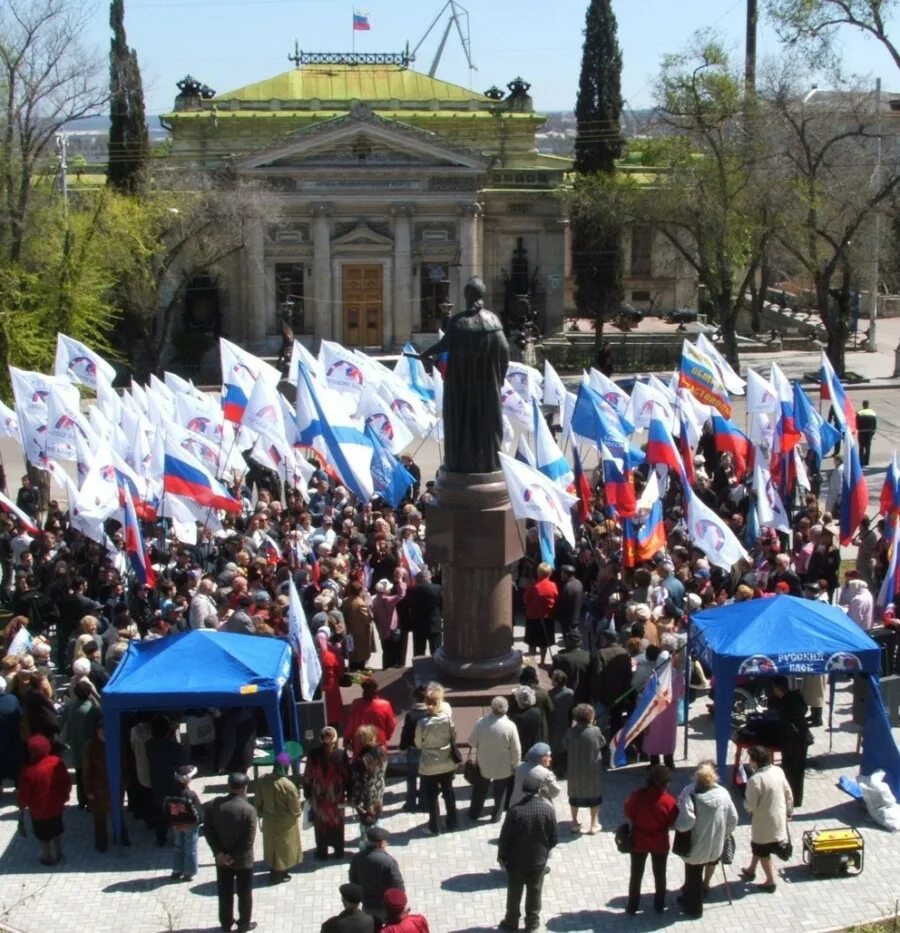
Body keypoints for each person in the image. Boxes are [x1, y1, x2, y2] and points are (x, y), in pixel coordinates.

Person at [417, 275, 509, 474]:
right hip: (487, 387)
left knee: (462, 423)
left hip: (461, 386)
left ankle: (460, 461)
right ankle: (489, 461)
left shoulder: (459, 322)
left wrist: (426, 352)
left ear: (467, 296)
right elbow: (505, 353)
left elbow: (445, 344)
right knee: (487, 423)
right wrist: (498, 380)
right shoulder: (493, 321)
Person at [673, 761, 738, 918]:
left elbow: (685, 823)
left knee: (693, 875)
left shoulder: (690, 793)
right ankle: (695, 893)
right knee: (703, 870)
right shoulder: (723, 793)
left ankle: (694, 909)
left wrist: (677, 824)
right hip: (715, 846)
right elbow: (733, 819)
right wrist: (723, 834)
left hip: (695, 846)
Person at [497, 773, 558, 932]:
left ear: (523, 791)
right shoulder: (547, 809)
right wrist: (545, 852)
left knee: (514, 893)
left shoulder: (515, 811)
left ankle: (511, 922)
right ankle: (532, 923)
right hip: (538, 860)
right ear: (539, 790)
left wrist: (502, 857)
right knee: (535, 892)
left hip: (516, 861)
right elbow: (554, 838)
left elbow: (504, 838)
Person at [205, 771, 258, 933]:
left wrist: (220, 853)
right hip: (243, 860)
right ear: (245, 788)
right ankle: (243, 924)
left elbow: (209, 831)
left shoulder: (214, 805)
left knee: (225, 892)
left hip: (221, 860)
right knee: (244, 893)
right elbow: (248, 840)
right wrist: (233, 856)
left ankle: (226, 923)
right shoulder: (248, 810)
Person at [624, 764, 679, 915]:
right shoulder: (669, 801)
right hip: (660, 843)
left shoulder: (638, 795)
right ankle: (659, 905)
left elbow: (628, 811)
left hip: (638, 841)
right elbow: (673, 821)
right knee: (660, 875)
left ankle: (632, 906)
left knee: (636, 875)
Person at [740, 746, 794, 893]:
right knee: (758, 846)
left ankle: (770, 881)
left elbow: (750, 805)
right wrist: (789, 812)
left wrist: (743, 802)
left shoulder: (754, 780)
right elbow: (788, 793)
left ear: (755, 761)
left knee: (762, 849)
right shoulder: (778, 771)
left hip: (764, 822)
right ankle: (751, 869)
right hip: (778, 818)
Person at [17, 733, 72, 866]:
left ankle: (47, 858)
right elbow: (66, 782)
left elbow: (24, 793)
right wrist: (65, 797)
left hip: (38, 811)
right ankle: (59, 854)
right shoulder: (56, 762)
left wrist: (21, 806)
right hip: (56, 806)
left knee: (43, 835)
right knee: (56, 830)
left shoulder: (29, 770)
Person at [467, 695, 521, 822]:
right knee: (500, 792)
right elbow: (516, 749)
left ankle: (474, 813)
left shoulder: (481, 722)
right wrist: (515, 764)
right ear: (506, 709)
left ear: (492, 708)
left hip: (484, 763)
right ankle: (496, 816)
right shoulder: (510, 726)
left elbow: (472, 742)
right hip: (503, 765)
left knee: (479, 790)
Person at [414, 683, 458, 835]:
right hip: (447, 762)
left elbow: (418, 743)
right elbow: (454, 736)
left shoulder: (422, 723)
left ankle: (434, 827)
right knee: (449, 792)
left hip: (429, 764)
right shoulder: (447, 719)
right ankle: (452, 822)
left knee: (432, 796)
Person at [254, 751, 302, 883]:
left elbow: (258, 802)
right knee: (285, 849)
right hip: (286, 822)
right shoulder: (288, 785)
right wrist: (297, 815)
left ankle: (273, 871)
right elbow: (295, 808)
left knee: (272, 847)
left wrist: (259, 814)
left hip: (269, 820)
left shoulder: (262, 780)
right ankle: (281, 874)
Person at [304, 726, 350, 861]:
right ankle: (339, 852)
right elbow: (347, 775)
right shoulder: (341, 754)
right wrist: (349, 793)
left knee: (321, 823)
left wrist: (307, 793)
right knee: (337, 823)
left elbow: (308, 775)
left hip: (319, 797)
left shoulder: (313, 754)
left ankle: (322, 852)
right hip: (337, 797)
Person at [348, 826, 405, 926]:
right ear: (380, 843)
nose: (386, 844)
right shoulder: (388, 861)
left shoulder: (357, 858)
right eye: (385, 842)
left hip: (367, 904)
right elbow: (398, 886)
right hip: (384, 907)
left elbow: (353, 880)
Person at [564, 703, 605, 834]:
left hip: (575, 771)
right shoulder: (596, 731)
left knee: (574, 798)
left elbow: (565, 745)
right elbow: (602, 742)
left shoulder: (571, 732)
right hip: (592, 771)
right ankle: (593, 824)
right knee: (594, 798)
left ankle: (574, 822)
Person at [769, 676, 809, 806]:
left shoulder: (784, 702)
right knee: (798, 771)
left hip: (792, 741)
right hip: (802, 738)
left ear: (777, 688)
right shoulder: (796, 696)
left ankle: (790, 799)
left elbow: (783, 720)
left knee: (790, 771)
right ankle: (797, 799)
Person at [349, 724, 388, 846]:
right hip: (379, 790)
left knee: (366, 824)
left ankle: (367, 848)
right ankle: (379, 842)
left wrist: (354, 800)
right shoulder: (381, 752)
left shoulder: (361, 762)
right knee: (377, 818)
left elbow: (357, 783)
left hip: (366, 797)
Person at [165, 764, 203, 882]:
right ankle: (189, 872)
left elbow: (166, 808)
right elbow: (198, 811)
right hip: (190, 825)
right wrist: (200, 820)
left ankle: (177, 870)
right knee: (190, 848)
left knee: (178, 846)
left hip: (176, 824)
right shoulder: (190, 794)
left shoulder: (170, 792)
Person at [345, 677, 397, 755]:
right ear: (376, 690)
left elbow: (351, 724)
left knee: (360, 766)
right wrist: (387, 736)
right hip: (379, 743)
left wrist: (347, 740)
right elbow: (391, 725)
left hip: (360, 745)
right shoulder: (385, 705)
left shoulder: (356, 704)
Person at [523, 562, 558, 664]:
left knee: (532, 643)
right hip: (547, 619)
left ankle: (532, 664)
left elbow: (525, 600)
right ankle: (542, 662)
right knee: (544, 644)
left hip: (533, 618)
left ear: (539, 573)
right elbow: (555, 599)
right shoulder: (553, 586)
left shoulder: (533, 586)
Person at [510, 742, 560, 806]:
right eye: (549, 756)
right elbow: (555, 792)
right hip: (537, 808)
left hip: (515, 806)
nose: (550, 759)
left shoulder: (519, 766)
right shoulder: (546, 773)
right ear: (543, 759)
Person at [0, 676, 23, 798]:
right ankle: (18, 787)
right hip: (12, 737)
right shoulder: (12, 699)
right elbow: (19, 715)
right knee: (16, 762)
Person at [856, 400, 877, 466]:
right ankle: (866, 462)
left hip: (861, 432)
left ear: (863, 405)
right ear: (868, 405)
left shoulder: (859, 413)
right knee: (868, 448)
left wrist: (859, 429)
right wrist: (872, 432)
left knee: (861, 447)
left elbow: (857, 423)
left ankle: (861, 461)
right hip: (869, 432)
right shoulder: (872, 413)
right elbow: (874, 424)